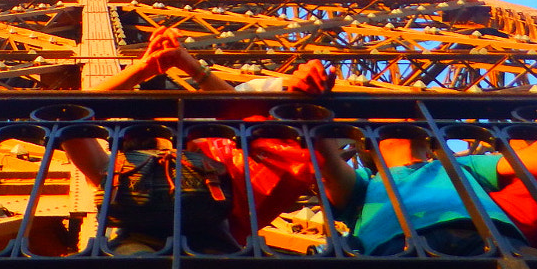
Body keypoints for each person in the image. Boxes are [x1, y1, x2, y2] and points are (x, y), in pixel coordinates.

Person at [64, 27, 344, 252]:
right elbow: (68, 118)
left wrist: (189, 66)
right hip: (210, 256)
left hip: (174, 255)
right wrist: (144, 68)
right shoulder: (224, 171)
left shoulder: (225, 165)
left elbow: (247, 122)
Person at [316, 130, 537, 258]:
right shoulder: (365, 181)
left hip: (490, 241)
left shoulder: (463, 165)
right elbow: (327, 167)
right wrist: (310, 110)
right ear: (368, 146)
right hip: (399, 248)